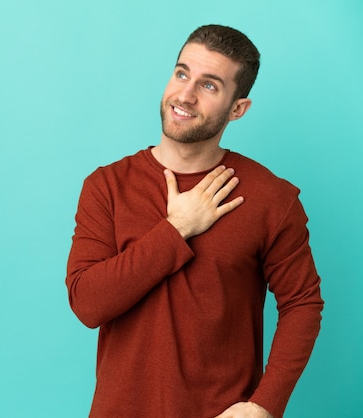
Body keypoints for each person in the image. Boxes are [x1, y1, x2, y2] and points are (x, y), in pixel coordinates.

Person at [65, 24, 323, 418]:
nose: (184, 95)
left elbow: (302, 303)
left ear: (237, 109)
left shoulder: (272, 198)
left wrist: (265, 405)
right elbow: (88, 304)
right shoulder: (107, 186)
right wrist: (177, 229)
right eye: (182, 73)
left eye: (209, 85)